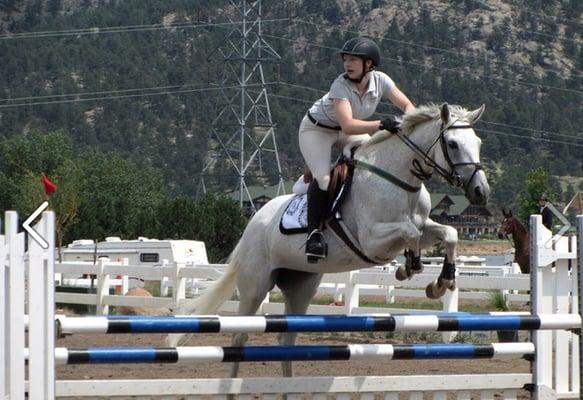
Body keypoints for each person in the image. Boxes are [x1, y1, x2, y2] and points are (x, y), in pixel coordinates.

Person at [299, 37, 415, 263]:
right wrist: (382, 124)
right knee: (323, 179)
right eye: (345, 59)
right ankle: (314, 234)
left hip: (346, 130)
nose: (347, 64)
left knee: (371, 165)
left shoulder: (381, 80)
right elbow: (348, 125)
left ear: (369, 64)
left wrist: (411, 121)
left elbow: (408, 106)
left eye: (353, 60)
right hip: (317, 130)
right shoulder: (339, 86)